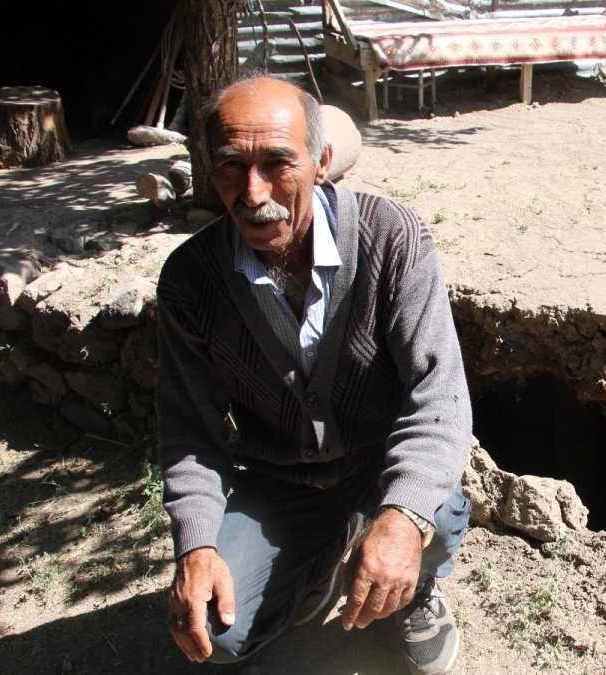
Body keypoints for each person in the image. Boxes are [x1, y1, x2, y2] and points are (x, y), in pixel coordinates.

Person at [155, 75, 472, 675]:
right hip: (283, 480)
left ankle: (415, 587)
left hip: (380, 464)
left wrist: (403, 518)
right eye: (230, 166)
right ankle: (317, 563)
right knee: (218, 636)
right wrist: (196, 542)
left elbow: (438, 396)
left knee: (439, 507)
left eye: (278, 162)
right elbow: (188, 428)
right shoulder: (189, 279)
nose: (253, 192)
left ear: (322, 162)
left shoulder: (392, 238)